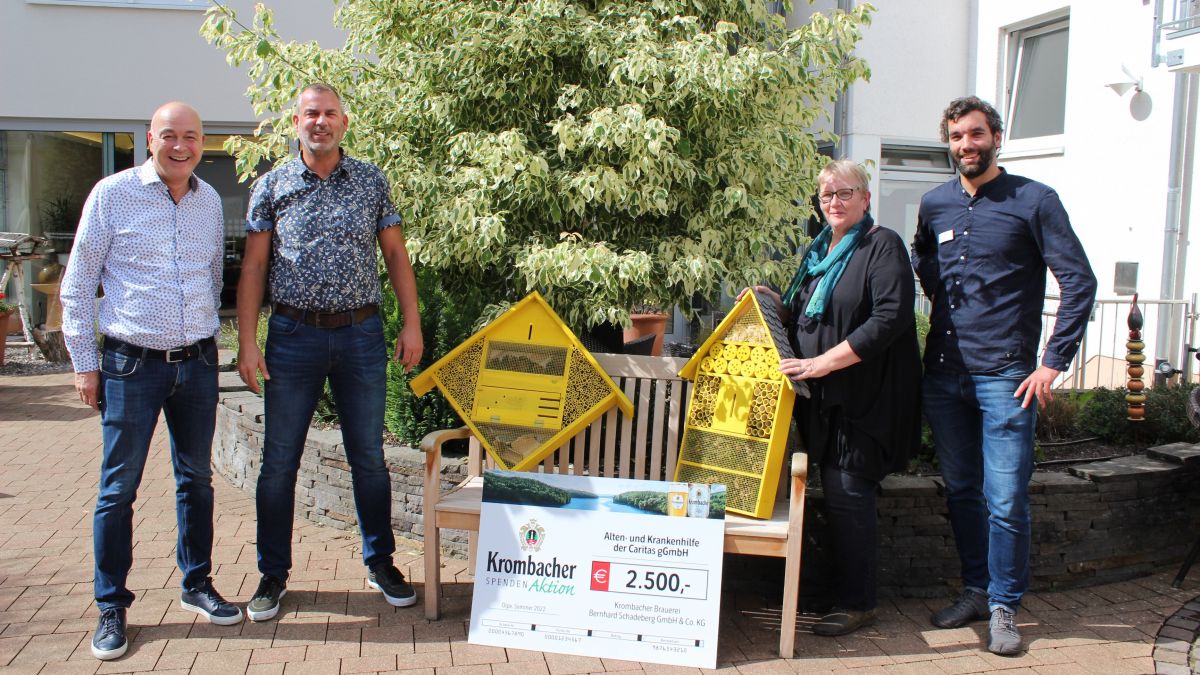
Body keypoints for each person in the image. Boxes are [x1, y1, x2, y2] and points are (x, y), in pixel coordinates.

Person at [912, 96, 1097, 656]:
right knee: (964, 491)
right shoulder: (934, 203)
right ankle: (975, 589)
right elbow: (924, 260)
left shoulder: (1035, 201)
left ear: (996, 136)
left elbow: (1079, 281)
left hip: (1008, 378)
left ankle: (1003, 606)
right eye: (955, 137)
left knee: (1006, 498)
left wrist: (1052, 362)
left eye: (974, 134)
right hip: (944, 374)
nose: (965, 145)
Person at [60, 102, 243, 661]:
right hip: (129, 365)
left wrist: (209, 344)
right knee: (119, 489)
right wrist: (84, 363)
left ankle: (197, 584)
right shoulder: (111, 194)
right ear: (150, 138)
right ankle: (111, 606)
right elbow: (77, 284)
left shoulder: (209, 201)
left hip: (196, 365)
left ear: (201, 142)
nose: (180, 146)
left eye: (191, 136)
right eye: (170, 135)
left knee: (197, 481)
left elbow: (212, 278)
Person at [237, 83, 423, 621]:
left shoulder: (370, 180)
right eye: (310, 114)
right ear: (295, 121)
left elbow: (394, 253)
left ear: (344, 122)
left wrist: (410, 324)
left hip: (361, 336)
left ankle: (380, 561)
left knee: (369, 457)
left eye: (330, 114)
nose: (320, 122)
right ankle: (273, 574)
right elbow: (252, 268)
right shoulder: (272, 186)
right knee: (279, 463)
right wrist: (248, 341)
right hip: (293, 337)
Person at [745, 159, 922, 637]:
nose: (835, 202)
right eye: (827, 196)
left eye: (845, 193)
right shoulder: (820, 250)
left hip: (863, 400)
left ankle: (858, 602)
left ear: (866, 198)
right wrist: (773, 304)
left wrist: (822, 363)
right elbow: (807, 315)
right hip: (821, 399)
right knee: (834, 496)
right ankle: (839, 589)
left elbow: (889, 318)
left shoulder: (881, 245)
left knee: (848, 496)